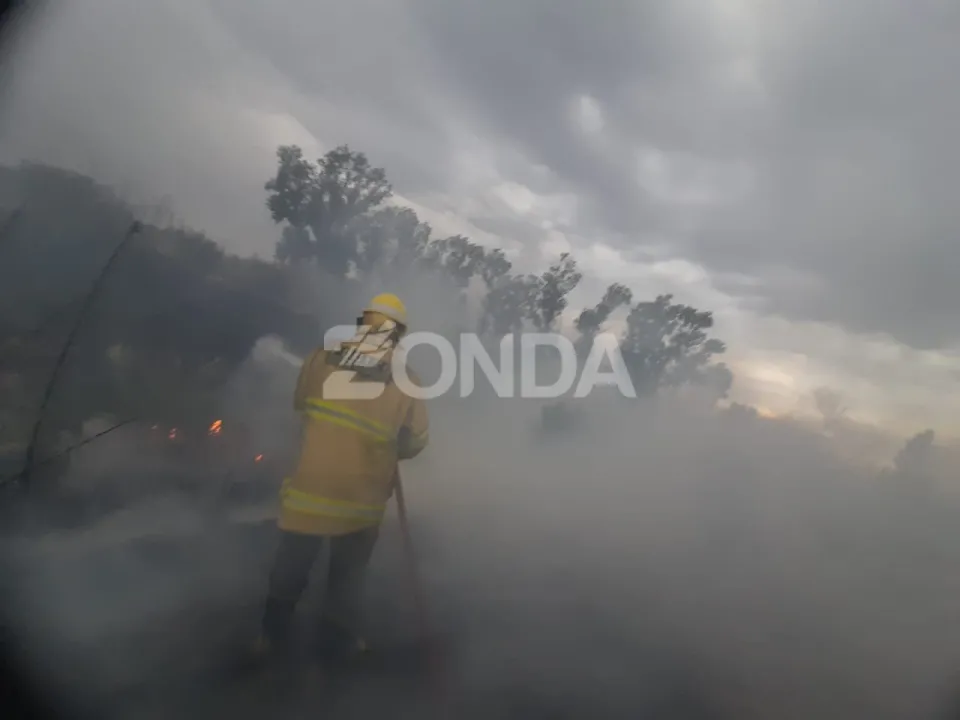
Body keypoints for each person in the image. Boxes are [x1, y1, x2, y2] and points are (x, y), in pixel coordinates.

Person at [254, 292, 429, 668]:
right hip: (360, 502)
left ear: (361, 323)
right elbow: (416, 442)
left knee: (291, 567)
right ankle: (336, 645)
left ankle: (270, 639)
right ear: (397, 335)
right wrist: (397, 440)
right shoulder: (407, 379)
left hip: (310, 490)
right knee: (347, 576)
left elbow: (301, 404)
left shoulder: (322, 358)